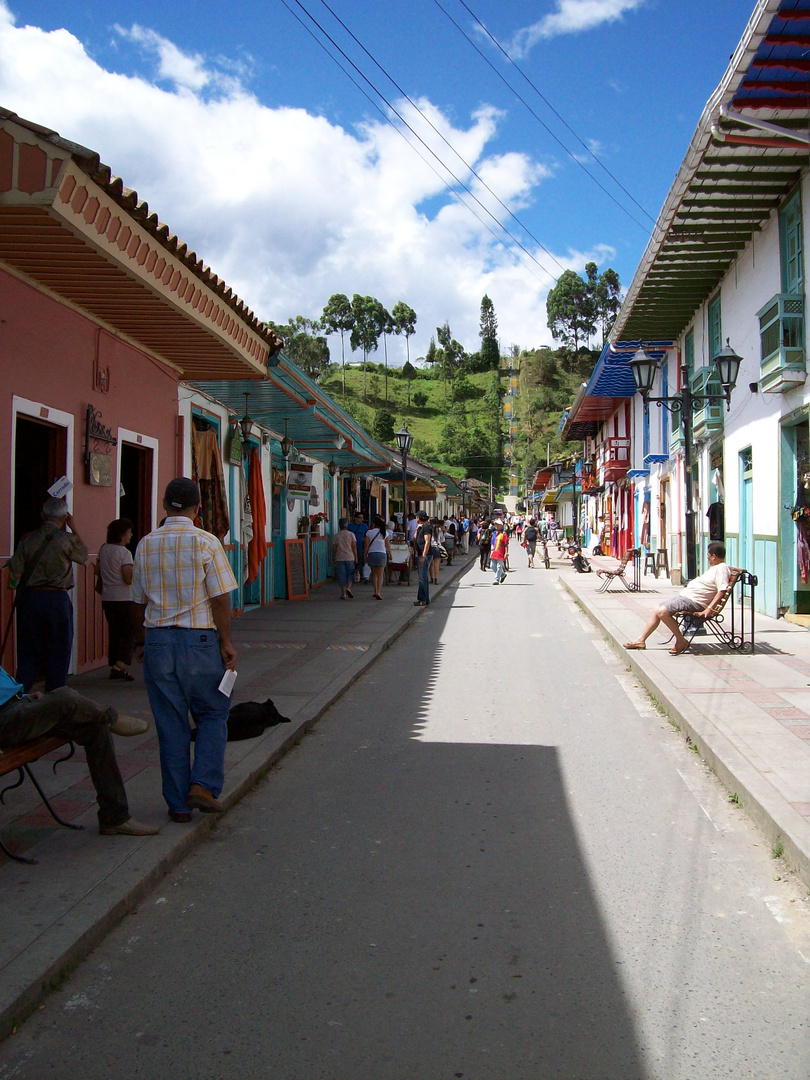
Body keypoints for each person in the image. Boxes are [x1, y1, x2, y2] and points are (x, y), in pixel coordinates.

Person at [132, 477, 238, 823]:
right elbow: (220, 598)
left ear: (164, 505)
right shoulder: (206, 542)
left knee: (170, 723)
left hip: (158, 640)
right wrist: (225, 641)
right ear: (198, 508)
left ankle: (177, 805)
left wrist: (140, 640)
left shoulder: (145, 544)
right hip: (199, 640)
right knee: (212, 713)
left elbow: (138, 601)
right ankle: (203, 785)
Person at [0, 664, 156, 835]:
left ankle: (115, 817)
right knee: (64, 696)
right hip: (6, 721)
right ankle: (111, 717)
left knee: (96, 727)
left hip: (21, 704)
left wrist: (24, 696)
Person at [6, 497, 88, 693]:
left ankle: (20, 698)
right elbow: (83, 556)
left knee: (29, 652)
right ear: (64, 517)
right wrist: (74, 527)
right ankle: (55, 696)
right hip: (57, 599)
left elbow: (15, 574)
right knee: (59, 650)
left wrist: (16, 586)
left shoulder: (27, 539)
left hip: (30, 599)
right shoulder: (66, 540)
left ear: (42, 516)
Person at [624, 542, 731, 656]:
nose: (708, 558)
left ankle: (681, 640)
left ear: (714, 556)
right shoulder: (716, 568)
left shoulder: (721, 568)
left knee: (662, 612)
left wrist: (708, 609)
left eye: (708, 555)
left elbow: (722, 590)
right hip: (687, 598)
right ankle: (641, 640)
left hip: (694, 602)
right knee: (657, 609)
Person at [96, 518, 138, 682]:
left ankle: (113, 661)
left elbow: (98, 572)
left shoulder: (104, 549)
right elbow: (128, 578)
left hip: (108, 597)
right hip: (124, 597)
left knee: (115, 632)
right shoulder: (124, 553)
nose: (131, 536)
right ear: (122, 534)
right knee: (128, 632)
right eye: (129, 533)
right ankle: (119, 665)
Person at [363, 515, 393, 600]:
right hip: (381, 554)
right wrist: (391, 554)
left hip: (372, 553)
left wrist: (365, 555)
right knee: (380, 574)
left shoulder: (369, 533)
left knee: (374, 574)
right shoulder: (385, 533)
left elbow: (366, 546)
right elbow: (388, 545)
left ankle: (375, 591)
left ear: (374, 524)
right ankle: (379, 592)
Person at [333, 517, 357, 600]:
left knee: (341, 575)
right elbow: (354, 547)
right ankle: (349, 588)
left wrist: (334, 558)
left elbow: (334, 548)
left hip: (340, 557)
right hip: (350, 557)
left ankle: (343, 594)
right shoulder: (351, 534)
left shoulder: (337, 535)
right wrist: (356, 557)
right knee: (350, 573)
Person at [413, 510, 433, 607]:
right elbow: (414, 539)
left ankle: (422, 599)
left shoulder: (426, 527)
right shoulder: (421, 527)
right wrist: (417, 530)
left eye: (416, 517)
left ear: (418, 517)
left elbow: (427, 541)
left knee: (422, 578)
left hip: (425, 555)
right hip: (420, 554)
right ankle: (425, 599)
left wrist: (423, 556)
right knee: (422, 577)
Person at [348, 512, 369, 583]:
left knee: (361, 561)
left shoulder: (364, 526)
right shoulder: (350, 526)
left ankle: (357, 573)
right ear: (355, 518)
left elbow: (367, 536)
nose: (361, 519)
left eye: (362, 518)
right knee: (352, 561)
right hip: (351, 547)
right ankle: (351, 575)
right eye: (360, 517)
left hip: (360, 546)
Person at [490, 520, 509, 584]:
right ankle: (503, 575)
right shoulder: (494, 533)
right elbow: (492, 543)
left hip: (500, 552)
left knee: (499, 567)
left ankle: (496, 580)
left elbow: (506, 544)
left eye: (498, 524)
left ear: (501, 526)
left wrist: (506, 553)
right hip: (493, 552)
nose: (496, 526)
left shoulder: (504, 534)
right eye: (495, 524)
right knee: (492, 566)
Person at [430, 519, 444, 584]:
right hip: (437, 547)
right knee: (437, 565)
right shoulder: (439, 529)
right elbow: (442, 539)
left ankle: (431, 578)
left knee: (431, 564)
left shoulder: (429, 529)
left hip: (430, 547)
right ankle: (436, 579)